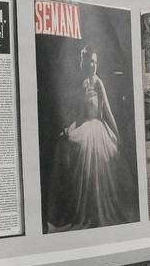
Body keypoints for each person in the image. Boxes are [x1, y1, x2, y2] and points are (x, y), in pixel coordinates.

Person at [49, 46, 132, 228]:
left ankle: (98, 209)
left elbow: (107, 112)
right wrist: (68, 129)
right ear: (85, 63)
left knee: (101, 162)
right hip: (86, 126)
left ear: (98, 64)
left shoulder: (99, 82)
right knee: (66, 142)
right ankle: (82, 209)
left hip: (99, 128)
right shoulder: (84, 84)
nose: (93, 65)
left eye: (95, 61)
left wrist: (117, 135)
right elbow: (79, 115)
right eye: (90, 61)